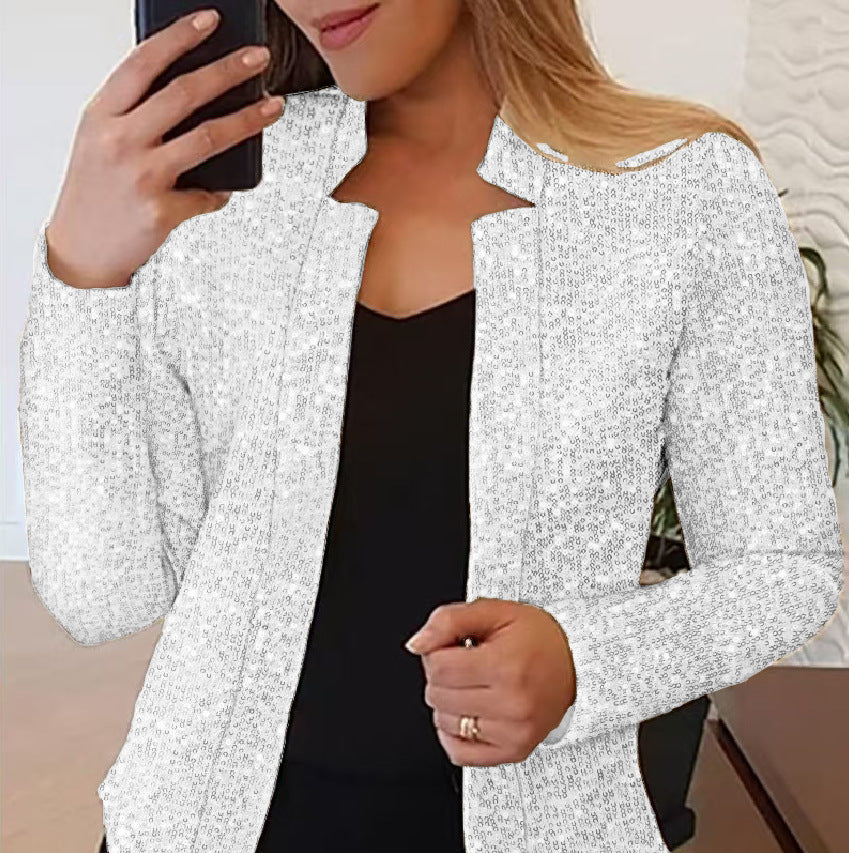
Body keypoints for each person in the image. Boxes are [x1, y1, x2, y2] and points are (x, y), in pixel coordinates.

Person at [19, 2, 843, 852]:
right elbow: (105, 595)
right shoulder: (215, 186)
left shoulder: (683, 194)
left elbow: (782, 567)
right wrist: (83, 272)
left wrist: (584, 660)